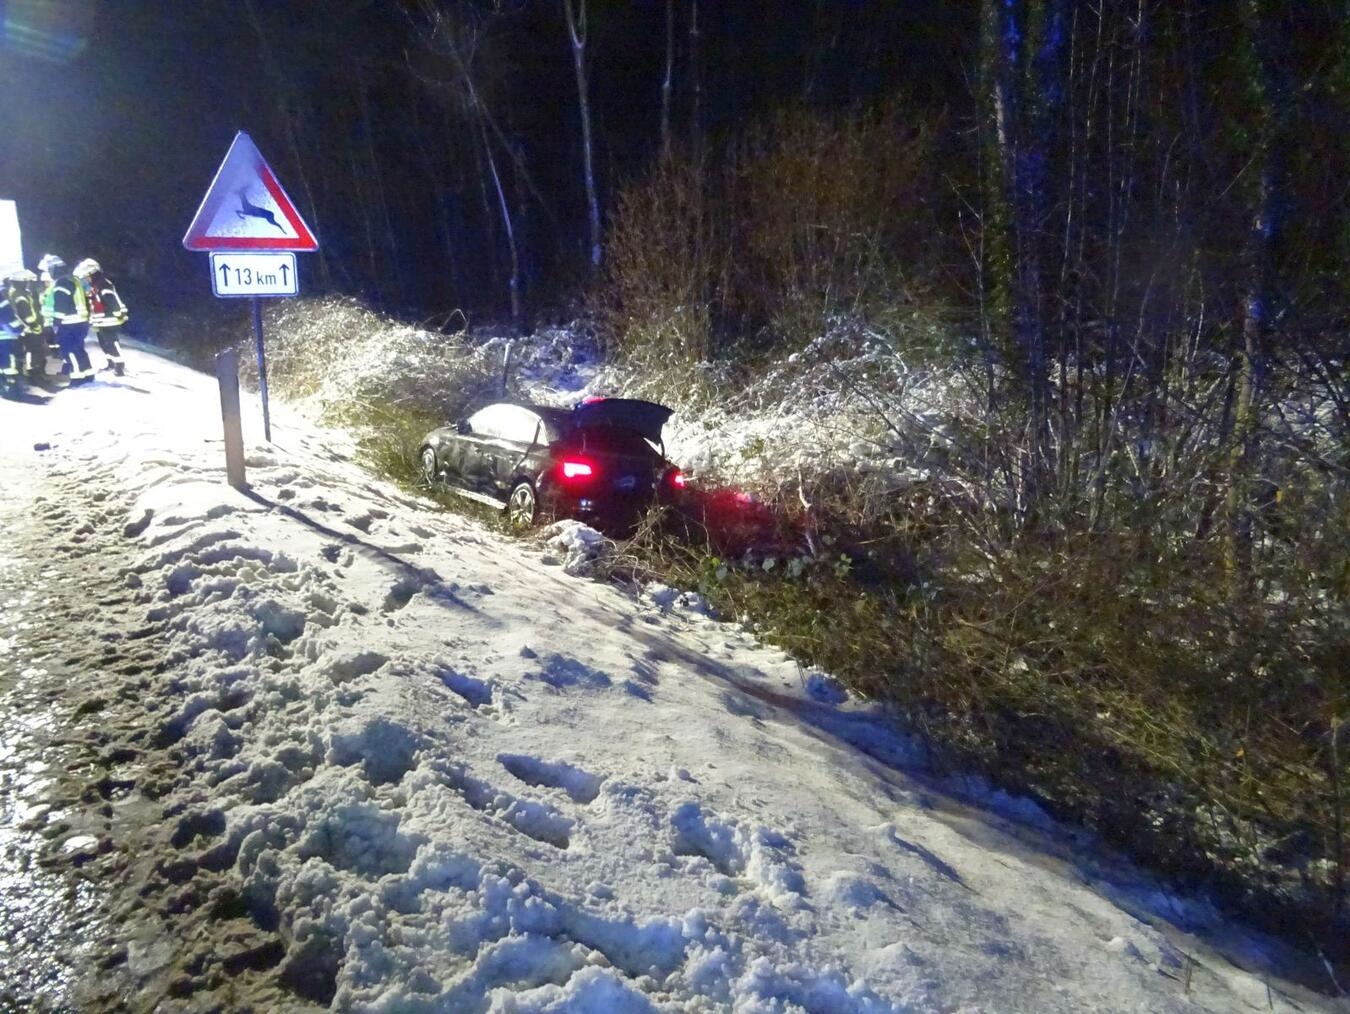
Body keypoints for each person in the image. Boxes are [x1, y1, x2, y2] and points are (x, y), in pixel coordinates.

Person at [38, 253, 94, 385]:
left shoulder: (62, 282)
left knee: (69, 351)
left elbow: (61, 305)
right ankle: (88, 375)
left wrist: (56, 324)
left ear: (55, 269)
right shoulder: (73, 280)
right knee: (79, 350)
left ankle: (77, 378)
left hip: (69, 323)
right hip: (79, 323)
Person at [73, 258, 128, 376]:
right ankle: (111, 363)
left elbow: (112, 301)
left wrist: (118, 314)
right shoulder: (95, 286)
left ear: (92, 274)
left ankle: (119, 366)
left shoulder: (104, 285)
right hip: (102, 322)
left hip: (110, 321)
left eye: (86, 277)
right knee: (104, 343)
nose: (85, 279)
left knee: (112, 343)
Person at [2, 269, 47, 384]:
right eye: (27, 281)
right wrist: (34, 325)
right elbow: (26, 313)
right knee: (34, 352)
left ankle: (24, 375)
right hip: (29, 330)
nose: (29, 283)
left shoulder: (17, 293)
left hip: (23, 329)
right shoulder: (20, 295)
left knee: (22, 353)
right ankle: (34, 376)